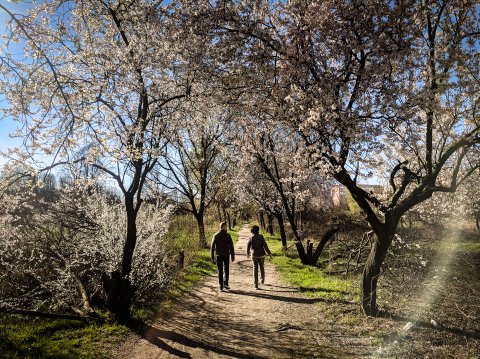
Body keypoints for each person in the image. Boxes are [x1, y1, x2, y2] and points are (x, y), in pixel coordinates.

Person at [211, 222, 235, 291]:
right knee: (226, 269)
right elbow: (231, 246)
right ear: (224, 227)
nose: (226, 227)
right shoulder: (228, 235)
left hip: (218, 255)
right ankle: (226, 284)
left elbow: (212, 247)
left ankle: (221, 286)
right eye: (226, 226)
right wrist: (233, 256)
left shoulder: (215, 235)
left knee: (220, 270)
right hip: (226, 255)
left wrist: (212, 257)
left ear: (220, 227)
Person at [247, 225, 271, 289]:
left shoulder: (251, 237)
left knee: (255, 268)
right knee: (262, 267)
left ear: (252, 231)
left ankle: (256, 284)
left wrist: (248, 253)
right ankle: (262, 280)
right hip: (261, 254)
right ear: (258, 230)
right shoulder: (261, 236)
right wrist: (269, 252)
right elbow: (265, 245)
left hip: (254, 255)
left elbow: (248, 245)